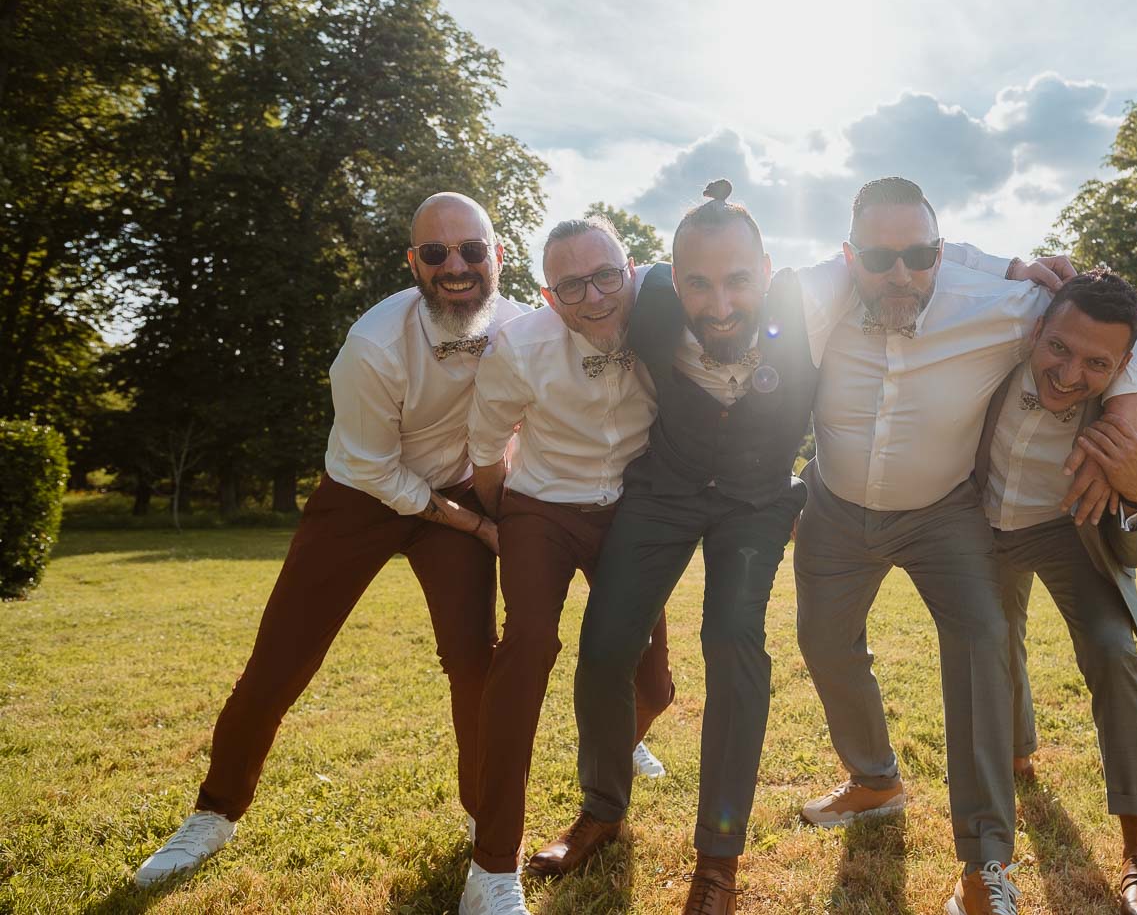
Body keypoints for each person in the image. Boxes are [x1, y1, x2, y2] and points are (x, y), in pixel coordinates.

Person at [133, 192, 526, 887]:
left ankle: (483, 816)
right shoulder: (373, 345)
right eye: (435, 253)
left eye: (470, 250)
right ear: (414, 263)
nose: (454, 265)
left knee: (474, 663)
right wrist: (473, 523)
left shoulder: (528, 330)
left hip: (459, 488)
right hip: (362, 495)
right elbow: (376, 468)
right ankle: (214, 813)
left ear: (498, 255)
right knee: (282, 656)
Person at [793, 177, 1137, 915]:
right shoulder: (811, 298)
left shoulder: (1001, 308)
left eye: (922, 254)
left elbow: (1120, 317)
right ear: (849, 256)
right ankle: (874, 780)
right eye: (878, 255)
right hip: (837, 509)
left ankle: (985, 865)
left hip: (947, 517)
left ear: (941, 251)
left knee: (984, 643)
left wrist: (1124, 424)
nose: (902, 273)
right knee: (825, 645)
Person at [534, 180, 819, 915]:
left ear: (766, 268)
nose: (719, 303)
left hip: (756, 501)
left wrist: (1020, 270)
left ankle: (717, 860)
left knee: (731, 640)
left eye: (737, 281)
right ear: (666, 277)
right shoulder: (647, 299)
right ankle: (602, 808)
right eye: (699, 283)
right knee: (603, 647)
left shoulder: (815, 305)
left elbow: (933, 278)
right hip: (665, 489)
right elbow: (564, 304)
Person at [458, 216, 676, 915]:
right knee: (527, 648)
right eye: (572, 285)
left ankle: (615, 750)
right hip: (541, 507)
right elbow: (487, 452)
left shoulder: (668, 318)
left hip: (634, 513)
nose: (595, 297)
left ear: (632, 270)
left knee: (656, 685)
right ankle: (491, 866)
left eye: (606, 275)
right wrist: (507, 524)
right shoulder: (517, 346)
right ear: (548, 296)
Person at [975, 267, 1137, 915]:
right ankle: (1017, 757)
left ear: (1122, 369)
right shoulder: (994, 357)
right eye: (1058, 348)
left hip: (1071, 533)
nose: (1067, 374)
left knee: (1115, 651)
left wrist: (1135, 488)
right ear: (1037, 329)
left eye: (1096, 363)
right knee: (995, 644)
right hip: (983, 521)